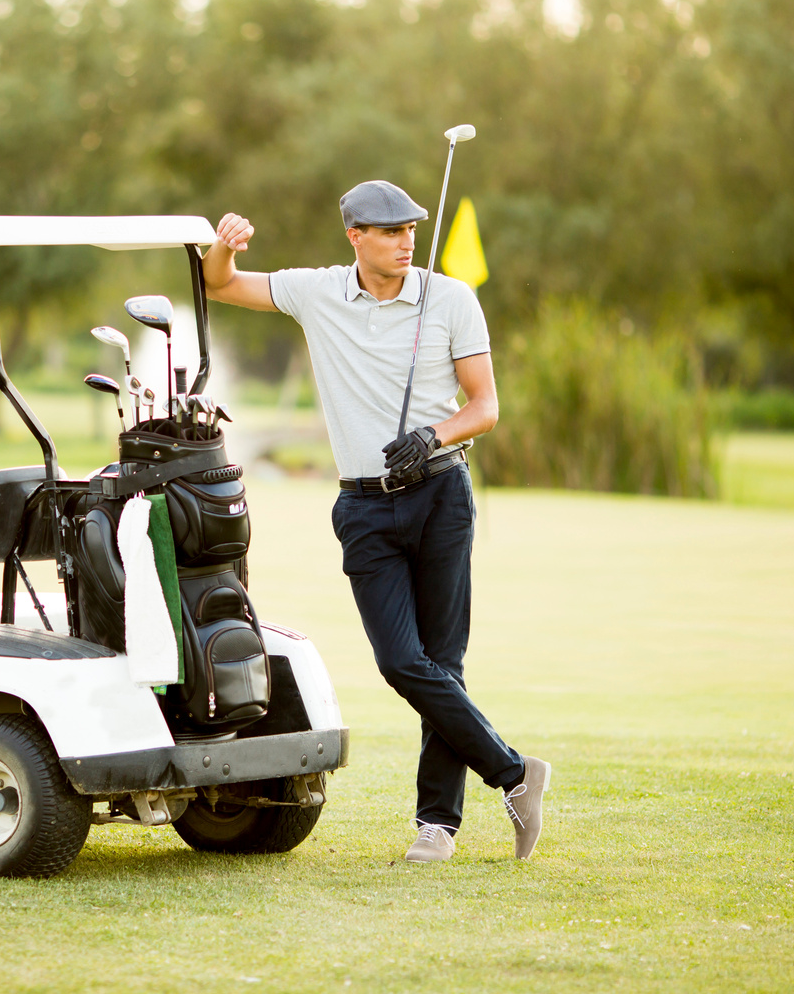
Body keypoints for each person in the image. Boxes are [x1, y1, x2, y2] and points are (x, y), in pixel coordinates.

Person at [202, 180, 552, 862]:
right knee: (401, 660)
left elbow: (484, 407)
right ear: (355, 235)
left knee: (442, 662)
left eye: (411, 229)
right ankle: (514, 774)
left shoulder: (452, 299)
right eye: (390, 231)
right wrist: (222, 247)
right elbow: (223, 285)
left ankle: (437, 826)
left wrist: (432, 435)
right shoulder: (318, 291)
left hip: (442, 491)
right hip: (363, 505)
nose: (406, 240)